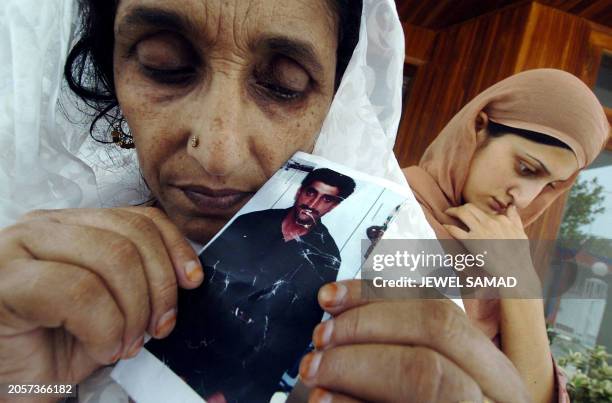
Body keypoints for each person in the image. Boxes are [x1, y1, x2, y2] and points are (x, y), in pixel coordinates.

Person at [0, 0, 538, 402]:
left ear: (334, 104)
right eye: (163, 65)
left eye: (284, 85)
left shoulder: (382, 256)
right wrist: (23, 387)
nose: (218, 152)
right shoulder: (30, 269)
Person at [402, 69, 610, 403]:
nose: (526, 198)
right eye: (526, 168)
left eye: (550, 186)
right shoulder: (385, 211)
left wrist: (520, 280)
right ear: (479, 129)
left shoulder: (499, 259)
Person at [145, 168, 355, 402]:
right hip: (181, 342)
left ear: (333, 207)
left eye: (326, 199)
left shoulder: (325, 258)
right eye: (310, 193)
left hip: (233, 368)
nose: (313, 203)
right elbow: (197, 288)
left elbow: (292, 338)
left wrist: (231, 394)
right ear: (299, 192)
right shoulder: (253, 221)